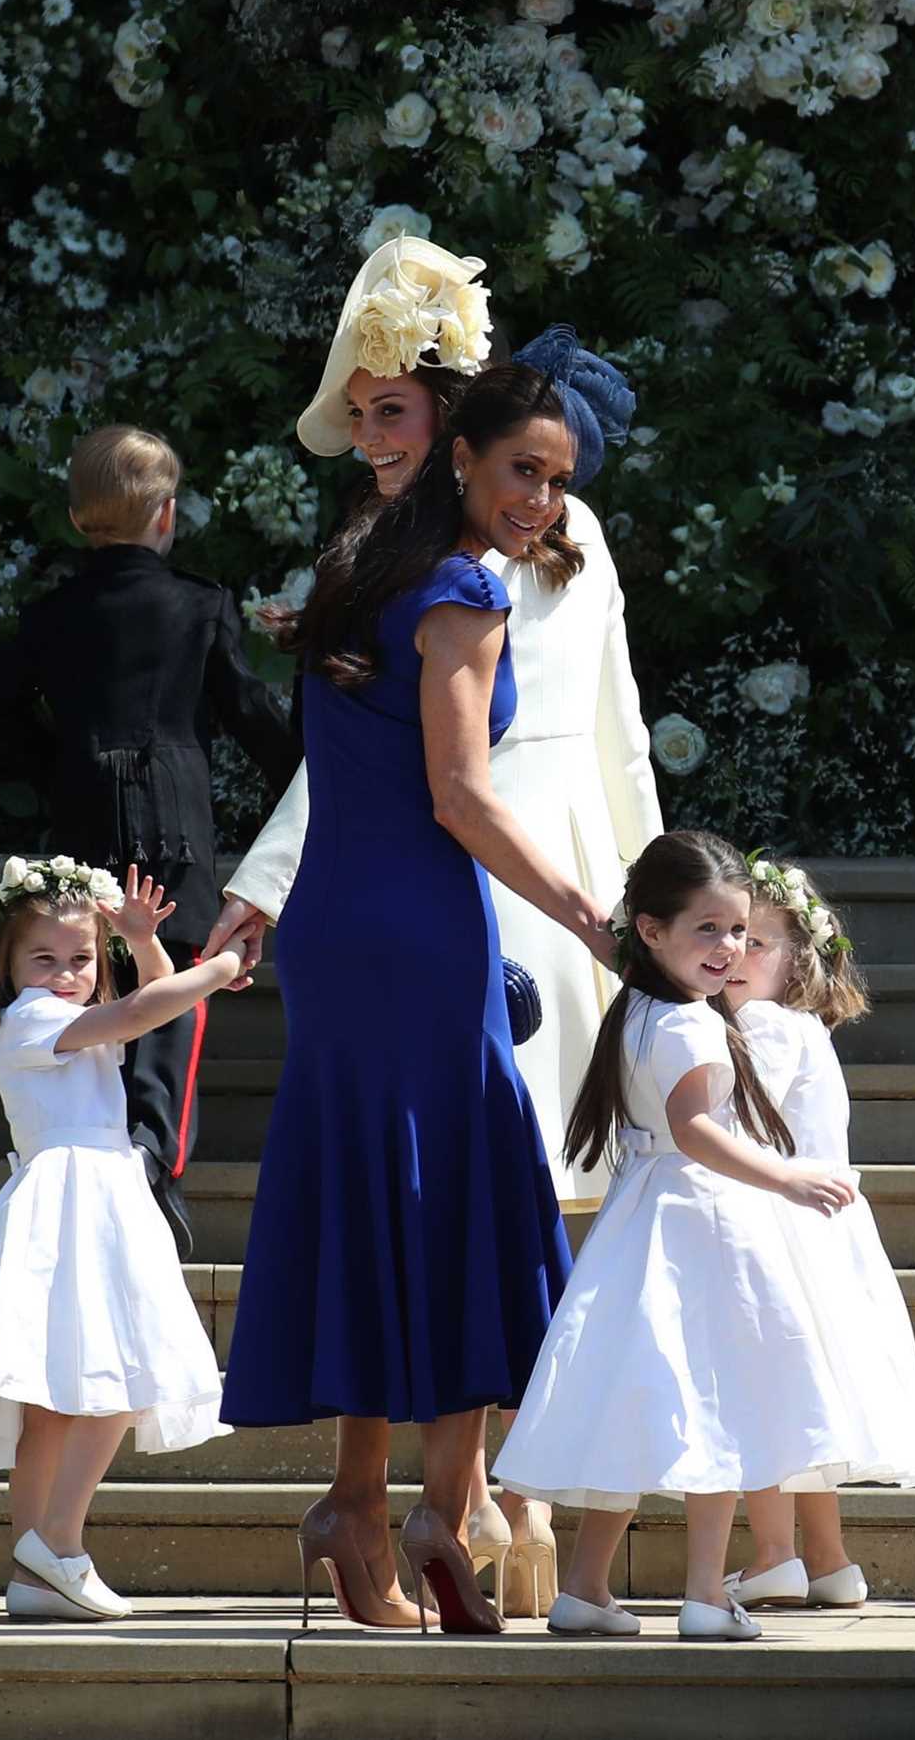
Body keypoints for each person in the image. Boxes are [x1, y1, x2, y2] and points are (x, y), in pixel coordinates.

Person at [208, 239, 662, 1615]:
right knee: (470, 1198)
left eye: (557, 476)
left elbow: (579, 744)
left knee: (378, 1190)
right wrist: (600, 918)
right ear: (467, 454)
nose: (541, 496)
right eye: (522, 468)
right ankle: (433, 1516)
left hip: (352, 920)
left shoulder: (359, 560)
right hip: (434, 910)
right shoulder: (461, 588)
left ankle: (370, 1505)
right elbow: (461, 793)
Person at [493, 831, 888, 1641]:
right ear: (650, 930)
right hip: (705, 1219)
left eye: (740, 931)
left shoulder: (639, 1007)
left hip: (642, 1220)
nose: (730, 947)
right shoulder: (694, 1025)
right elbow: (695, 1127)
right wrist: (788, 1176)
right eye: (707, 928)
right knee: (717, 1402)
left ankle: (586, 1587)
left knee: (633, 1399)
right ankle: (707, 1594)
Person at [0, 425, 300, 1258]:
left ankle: (102, 1144)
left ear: (83, 517)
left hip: (84, 817)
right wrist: (313, 773)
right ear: (165, 513)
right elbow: (252, 716)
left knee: (91, 980)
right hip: (177, 821)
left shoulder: (52, 612)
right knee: (175, 991)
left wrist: (56, 766)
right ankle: (154, 1152)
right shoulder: (199, 603)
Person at [0, 858, 253, 1622]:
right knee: (119, 1375)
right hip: (75, 1197)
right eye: (45, 958)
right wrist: (222, 964)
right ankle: (59, 1541)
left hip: (96, 1192)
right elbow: (139, 1014)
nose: (64, 974)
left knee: (59, 1407)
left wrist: (141, 941)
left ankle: (35, 1574)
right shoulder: (30, 1020)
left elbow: (151, 1007)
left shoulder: (71, 1019)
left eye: (81, 960)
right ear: (10, 965)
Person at [722, 856, 915, 1610]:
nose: (735, 954)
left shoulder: (760, 1026)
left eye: (757, 943)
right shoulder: (802, 1028)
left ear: (796, 962)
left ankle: (776, 1553)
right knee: (807, 1403)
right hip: (823, 1234)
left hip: (778, 1228)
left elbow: (735, 1126)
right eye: (728, 935)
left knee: (766, 1394)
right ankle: (829, 1560)